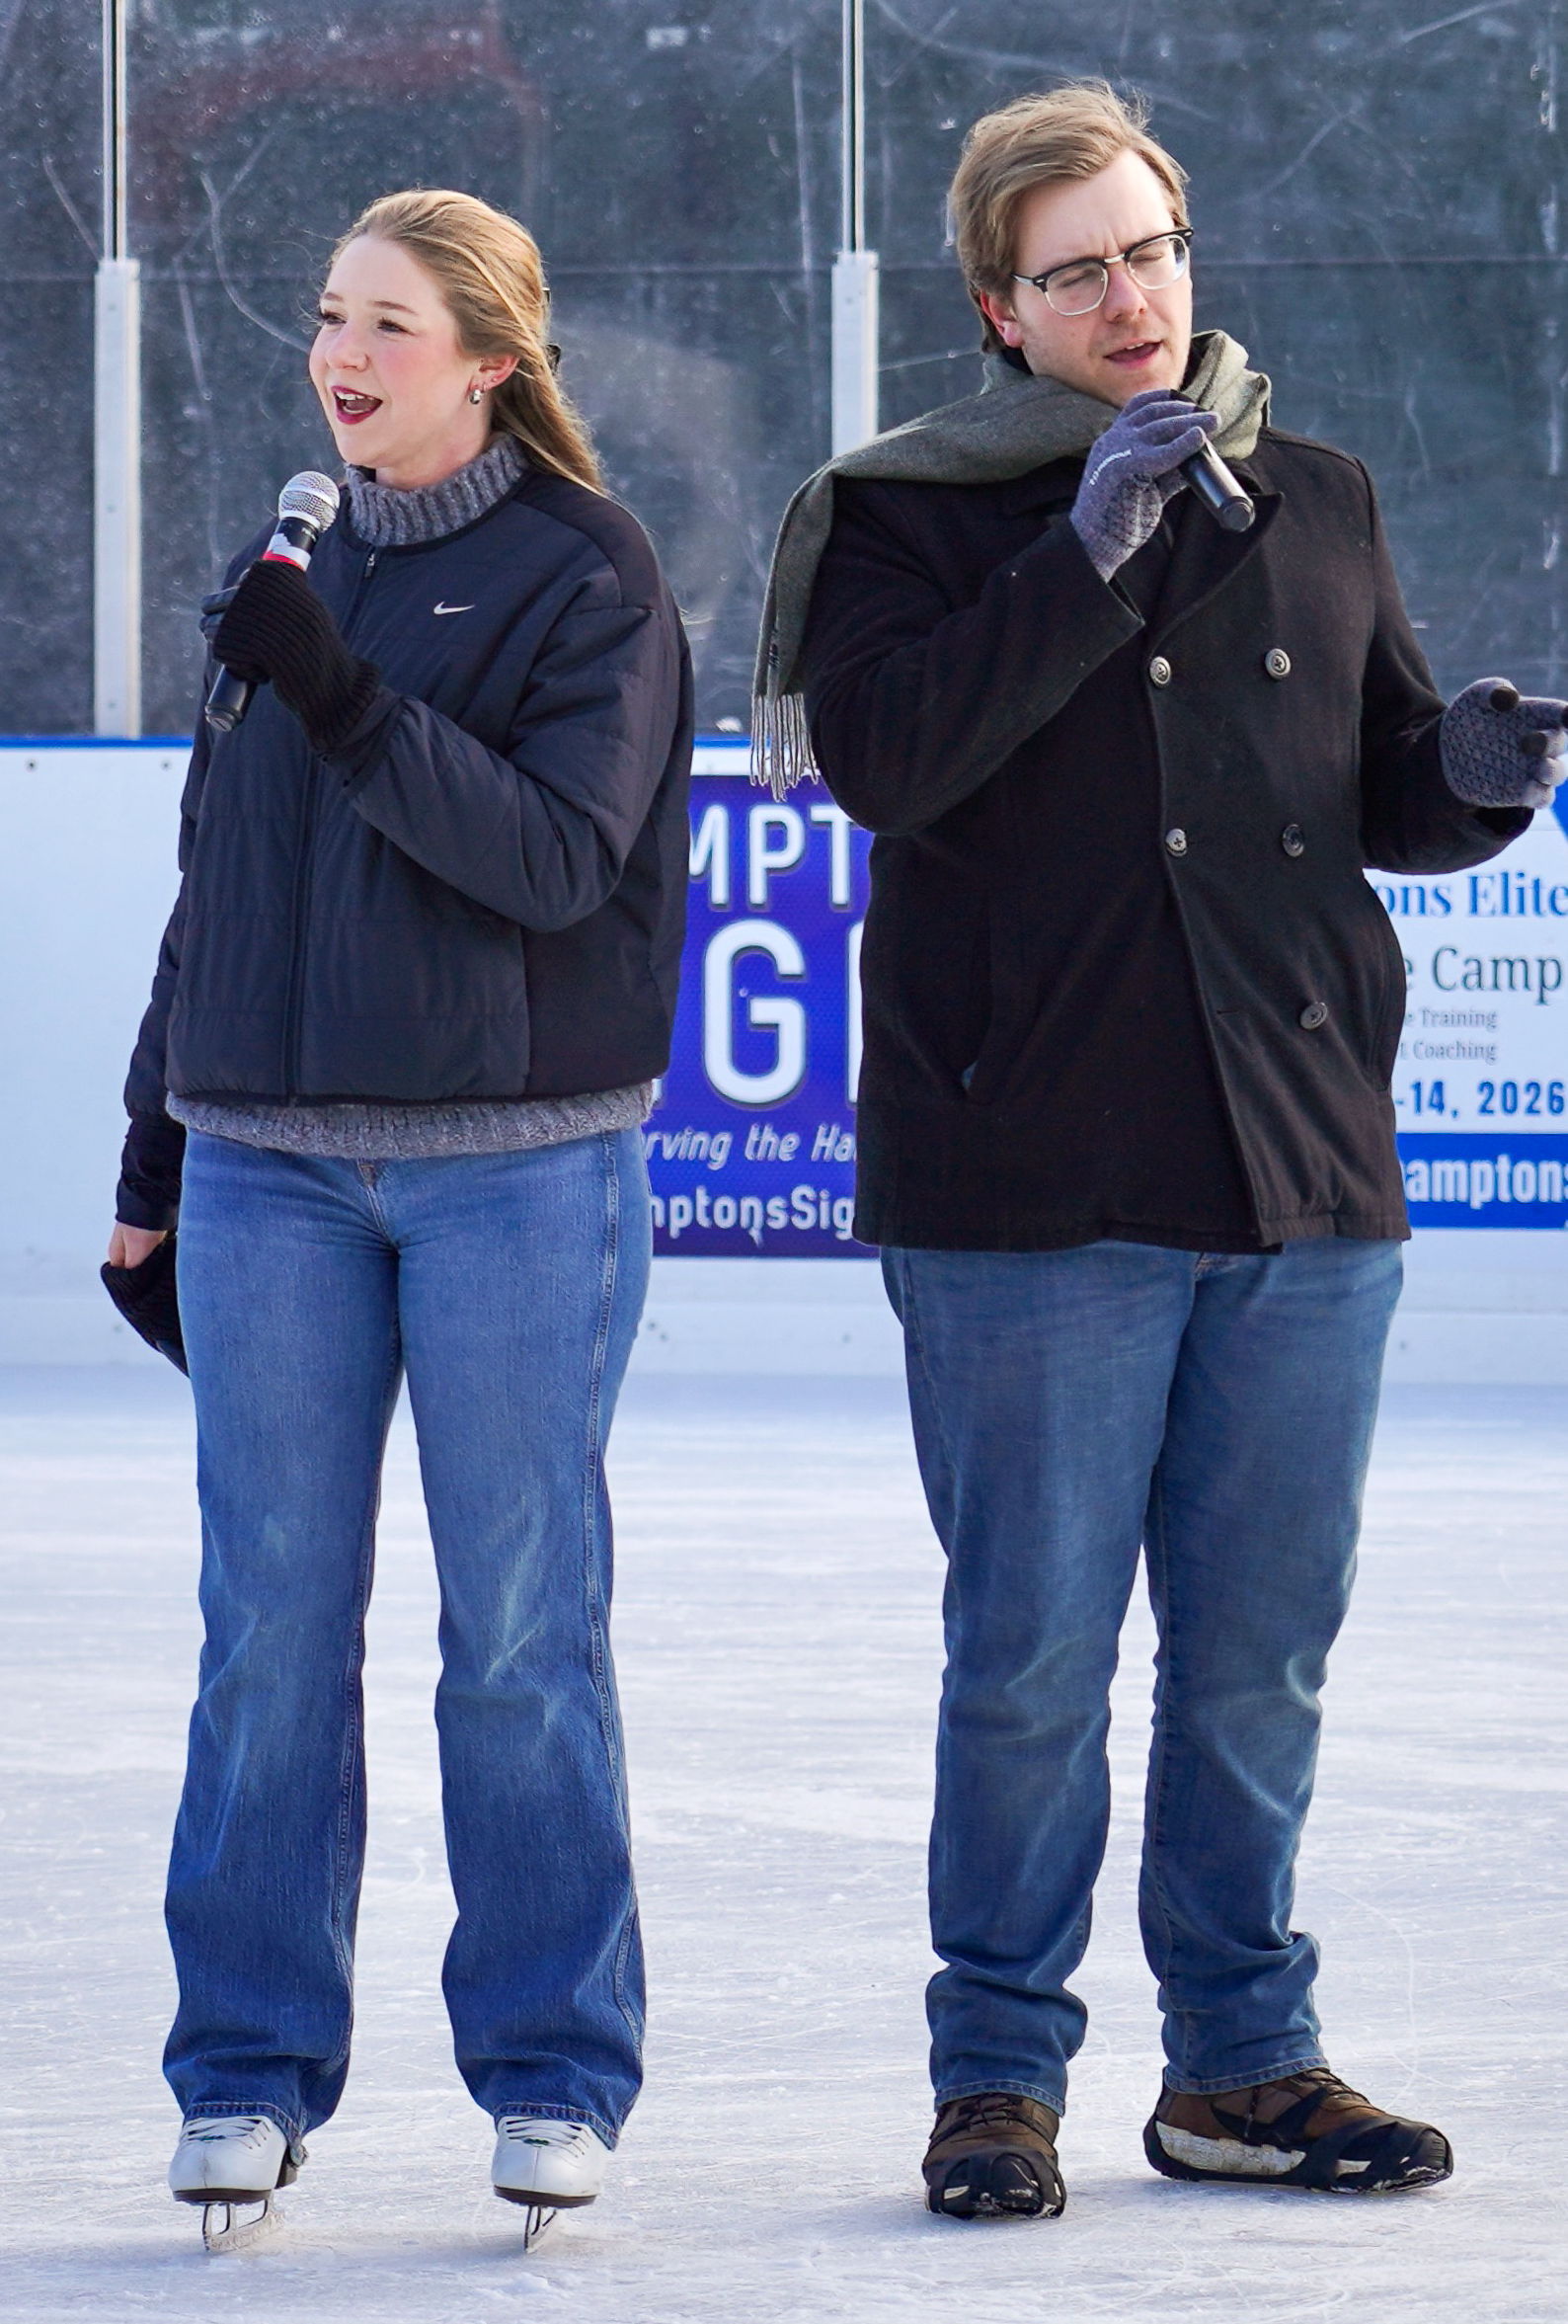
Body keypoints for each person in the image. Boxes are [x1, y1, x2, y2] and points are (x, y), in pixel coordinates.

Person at [753, 82, 1566, 2218]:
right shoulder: (902, 515)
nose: (1124, 298)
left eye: (1146, 250)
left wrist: (1467, 773)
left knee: (1252, 1654)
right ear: (996, 311)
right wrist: (1083, 546)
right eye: (1070, 272)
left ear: (1185, 247)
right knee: (1026, 1654)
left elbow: (1365, 778)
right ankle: (992, 2074)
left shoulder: (1312, 490)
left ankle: (1239, 2059)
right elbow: (888, 759)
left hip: (1297, 1169)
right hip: (1028, 1180)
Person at [109, 188, 691, 2247]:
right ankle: (245, 2067)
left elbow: (549, 860)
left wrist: (341, 690)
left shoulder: (588, 575)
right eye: (326, 319)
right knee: (266, 1625)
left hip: (514, 1170)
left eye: (385, 324)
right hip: (267, 1158)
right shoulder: (296, 562)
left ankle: (549, 2066)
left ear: (489, 357)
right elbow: (218, 878)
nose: (341, 356)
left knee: (518, 1633)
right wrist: (151, 1159)